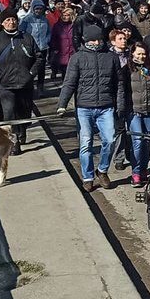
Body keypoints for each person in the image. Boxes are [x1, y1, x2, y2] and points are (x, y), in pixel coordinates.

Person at [57, 25, 129, 191]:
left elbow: (119, 83)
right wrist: (62, 104)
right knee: (86, 143)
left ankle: (102, 169)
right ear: (86, 40)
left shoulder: (111, 57)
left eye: (99, 39)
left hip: (106, 106)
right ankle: (87, 176)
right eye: (93, 40)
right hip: (84, 107)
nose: (96, 43)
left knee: (110, 140)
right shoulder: (77, 58)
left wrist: (120, 104)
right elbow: (69, 82)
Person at [0, 8, 43, 154]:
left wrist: (31, 73)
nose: (11, 22)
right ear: (2, 23)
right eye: (7, 20)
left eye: (13, 19)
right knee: (9, 114)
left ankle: (22, 132)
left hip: (25, 83)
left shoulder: (27, 37)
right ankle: (14, 142)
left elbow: (39, 57)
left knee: (24, 113)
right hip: (6, 85)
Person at [126, 42, 150, 187]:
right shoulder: (126, 70)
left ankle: (144, 169)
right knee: (138, 142)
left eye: (143, 54)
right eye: (138, 53)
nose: (141, 56)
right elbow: (123, 91)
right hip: (134, 112)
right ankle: (136, 172)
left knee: (146, 143)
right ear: (132, 53)